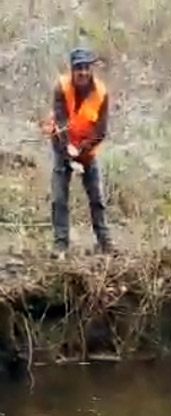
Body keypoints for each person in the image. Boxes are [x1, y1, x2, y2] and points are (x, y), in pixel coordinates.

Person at [43, 47, 114, 258]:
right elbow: (60, 122)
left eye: (86, 68)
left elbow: (100, 131)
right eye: (78, 68)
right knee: (58, 198)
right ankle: (60, 246)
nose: (82, 72)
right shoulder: (61, 87)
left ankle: (106, 244)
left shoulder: (101, 93)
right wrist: (68, 154)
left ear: (91, 69)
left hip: (87, 150)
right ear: (72, 70)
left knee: (97, 198)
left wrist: (82, 151)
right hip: (62, 147)